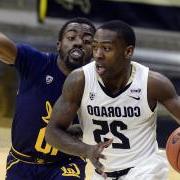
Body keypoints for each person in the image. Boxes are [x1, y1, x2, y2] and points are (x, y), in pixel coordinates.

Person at [45, 20, 180, 180]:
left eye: (106, 48)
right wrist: (86, 150)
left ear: (128, 51)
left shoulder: (152, 83)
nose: (98, 55)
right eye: (95, 47)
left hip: (145, 170)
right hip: (102, 174)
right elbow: (52, 132)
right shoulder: (79, 80)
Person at [0, 17, 96, 179]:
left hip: (66, 163)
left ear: (94, 50)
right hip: (23, 161)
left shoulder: (98, 81)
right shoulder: (36, 62)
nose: (79, 43)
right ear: (59, 44)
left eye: (87, 41)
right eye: (71, 38)